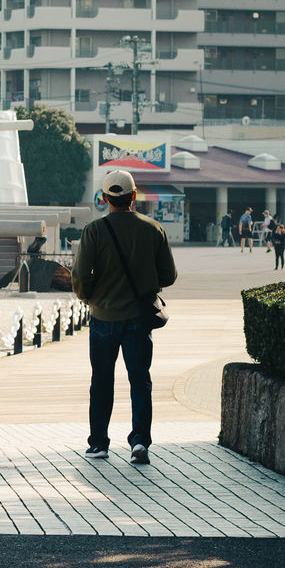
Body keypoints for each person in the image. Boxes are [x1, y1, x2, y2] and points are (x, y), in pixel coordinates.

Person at [72, 171, 178, 466]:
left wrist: (90, 298)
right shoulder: (153, 229)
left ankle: (98, 444)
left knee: (102, 381)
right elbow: (169, 276)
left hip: (103, 317)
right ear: (134, 196)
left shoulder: (94, 231)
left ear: (105, 199)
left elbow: (80, 276)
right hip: (138, 318)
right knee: (140, 380)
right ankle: (140, 441)